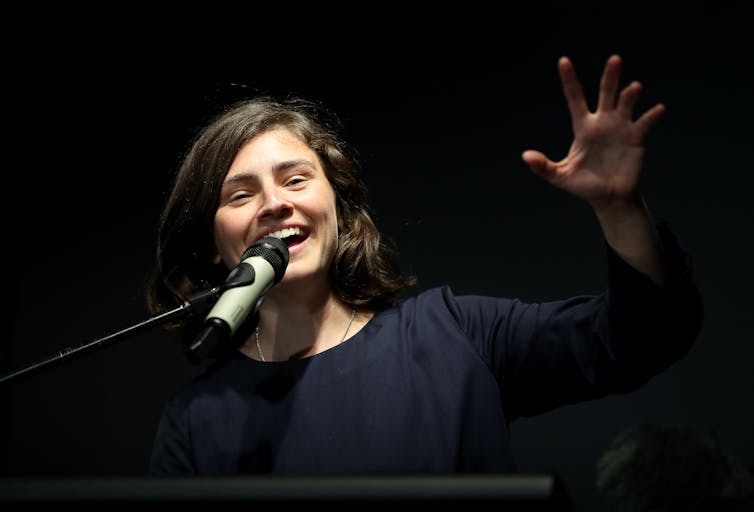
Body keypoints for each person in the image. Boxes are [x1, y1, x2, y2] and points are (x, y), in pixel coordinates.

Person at [146, 54, 703, 475]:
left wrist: (618, 208)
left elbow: (641, 338)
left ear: (340, 207)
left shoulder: (455, 335)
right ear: (213, 243)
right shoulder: (193, 420)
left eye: (296, 179)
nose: (274, 203)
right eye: (240, 195)